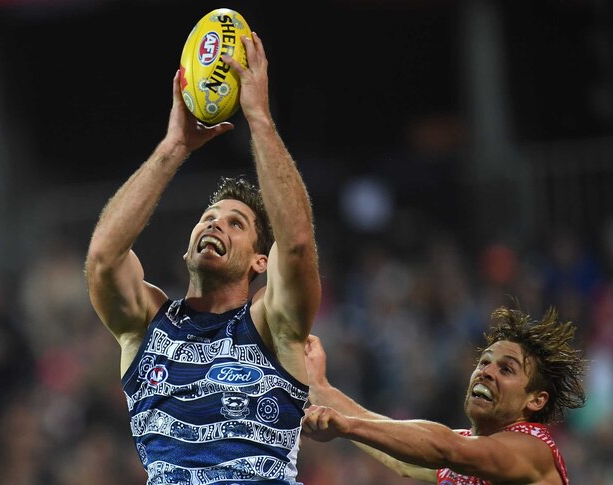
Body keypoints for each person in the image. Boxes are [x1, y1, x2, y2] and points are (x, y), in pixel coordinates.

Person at [85, 32, 321, 484]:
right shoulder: (146, 323)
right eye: (208, 218)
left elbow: (296, 245)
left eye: (236, 223)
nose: (214, 224)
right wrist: (174, 148)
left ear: (259, 262)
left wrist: (260, 119)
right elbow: (102, 257)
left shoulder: (275, 325)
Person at [301, 305, 587, 484]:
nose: (486, 372)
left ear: (536, 400)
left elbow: (445, 448)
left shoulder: (534, 449)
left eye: (507, 369)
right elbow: (403, 459)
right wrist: (320, 388)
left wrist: (349, 426)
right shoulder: (471, 451)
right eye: (484, 361)